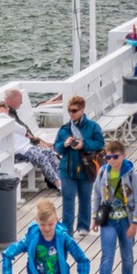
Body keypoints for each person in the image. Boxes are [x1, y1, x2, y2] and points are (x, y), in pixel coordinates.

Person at [91, 140, 137, 274]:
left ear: (124, 155)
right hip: (108, 220)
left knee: (127, 258)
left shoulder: (132, 175)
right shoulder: (103, 172)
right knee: (107, 257)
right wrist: (95, 217)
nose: (112, 161)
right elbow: (97, 194)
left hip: (126, 221)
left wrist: (135, 223)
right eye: (108, 157)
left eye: (115, 157)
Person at [54, 95, 105, 236]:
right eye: (69, 110)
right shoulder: (64, 129)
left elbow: (100, 143)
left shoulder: (93, 126)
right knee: (68, 198)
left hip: (86, 167)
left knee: (85, 197)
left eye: (74, 110)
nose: (71, 113)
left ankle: (83, 226)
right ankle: (67, 230)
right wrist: (64, 144)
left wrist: (84, 144)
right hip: (67, 168)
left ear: (82, 110)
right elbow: (56, 148)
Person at [2, 200, 89, 274]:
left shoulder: (64, 238)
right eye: (42, 224)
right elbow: (8, 254)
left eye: (50, 224)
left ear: (56, 220)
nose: (47, 228)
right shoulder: (30, 238)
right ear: (37, 221)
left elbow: (82, 260)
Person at [0, 89, 61, 190]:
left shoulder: (9, 110)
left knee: (49, 152)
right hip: (17, 149)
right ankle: (58, 183)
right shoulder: (5, 114)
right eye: (20, 99)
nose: (21, 102)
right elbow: (21, 130)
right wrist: (35, 140)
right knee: (45, 154)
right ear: (11, 99)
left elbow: (21, 129)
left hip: (24, 143)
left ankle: (58, 180)